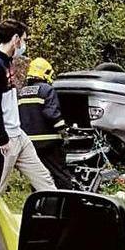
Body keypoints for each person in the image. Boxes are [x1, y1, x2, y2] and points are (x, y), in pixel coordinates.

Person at [0, 19, 57, 194]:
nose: (24, 44)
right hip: (2, 137)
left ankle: (53, 214)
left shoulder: (6, 61)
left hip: (18, 134)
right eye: (24, 39)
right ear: (15, 39)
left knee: (44, 178)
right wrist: (2, 138)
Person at [18, 57, 78, 189]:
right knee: (61, 174)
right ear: (45, 73)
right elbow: (51, 114)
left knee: (38, 176)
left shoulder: (22, 92)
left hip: (29, 144)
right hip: (49, 142)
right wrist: (64, 131)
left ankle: (41, 201)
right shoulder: (47, 90)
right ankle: (66, 201)